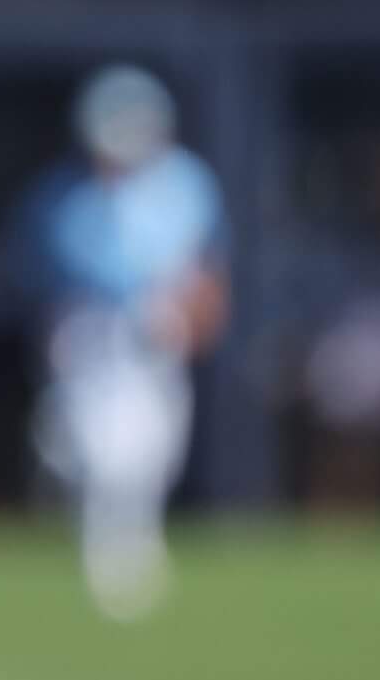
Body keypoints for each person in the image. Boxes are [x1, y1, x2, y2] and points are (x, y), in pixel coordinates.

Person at [20, 65, 227, 621]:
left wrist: (186, 315)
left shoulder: (187, 183)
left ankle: (136, 542)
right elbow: (54, 281)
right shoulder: (65, 197)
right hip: (92, 336)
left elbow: (207, 274)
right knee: (102, 453)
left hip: (160, 340)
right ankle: (108, 555)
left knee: (153, 453)